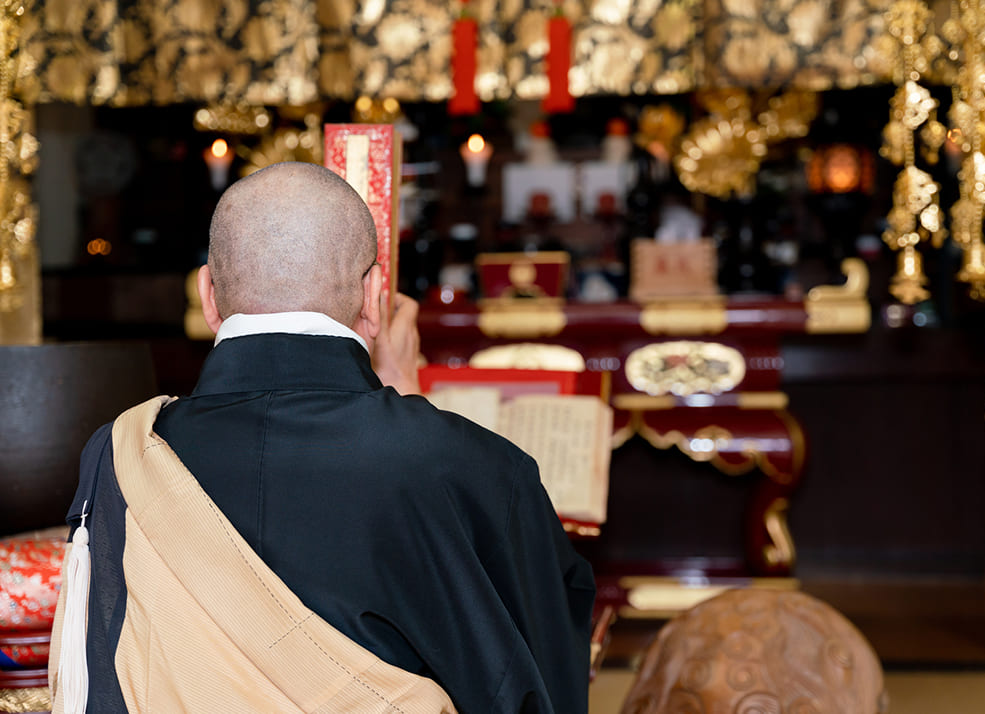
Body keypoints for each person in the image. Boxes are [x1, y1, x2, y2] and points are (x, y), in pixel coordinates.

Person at [49, 162, 596, 713]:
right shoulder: (473, 465)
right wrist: (417, 411)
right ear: (374, 295)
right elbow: (541, 678)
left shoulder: (123, 453)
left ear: (207, 294)